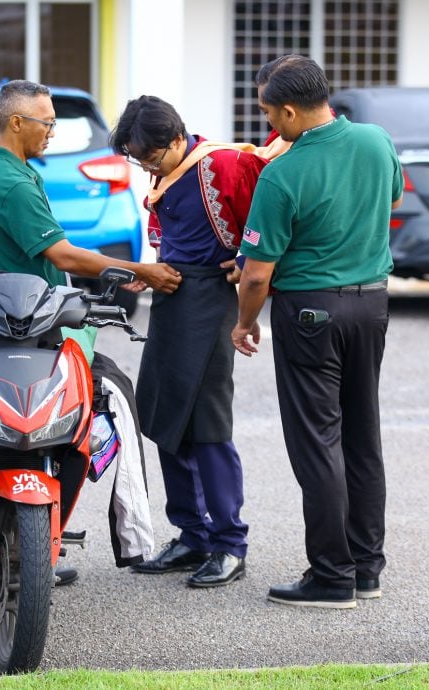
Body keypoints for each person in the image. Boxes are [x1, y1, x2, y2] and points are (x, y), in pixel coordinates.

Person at [0, 79, 185, 571]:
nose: (52, 131)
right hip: (29, 327)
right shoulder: (10, 181)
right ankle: (127, 539)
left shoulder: (18, 170)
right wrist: (142, 270)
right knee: (108, 403)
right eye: (46, 123)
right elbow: (63, 254)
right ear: (16, 123)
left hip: (30, 316)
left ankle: (34, 543)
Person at [232, 54, 404, 608]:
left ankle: (332, 576)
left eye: (268, 115)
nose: (267, 127)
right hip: (372, 305)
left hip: (310, 314)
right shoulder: (377, 141)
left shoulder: (283, 173)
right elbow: (393, 197)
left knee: (318, 443)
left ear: (289, 110)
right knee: (362, 436)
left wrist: (244, 322)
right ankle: (366, 569)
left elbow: (257, 272)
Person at [109, 95, 269, 588]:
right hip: (173, 296)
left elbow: (270, 222)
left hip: (213, 299)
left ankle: (229, 542)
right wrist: (149, 273)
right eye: (139, 160)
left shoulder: (226, 163)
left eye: (151, 158)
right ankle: (192, 533)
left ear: (177, 139)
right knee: (164, 413)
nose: (146, 168)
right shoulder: (167, 170)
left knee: (208, 422)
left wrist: (248, 264)